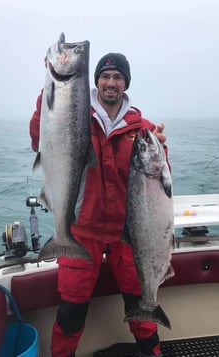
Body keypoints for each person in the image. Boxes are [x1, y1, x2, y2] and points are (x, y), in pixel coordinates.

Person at [29, 52, 169, 357]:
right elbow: (40, 137)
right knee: (70, 313)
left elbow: (158, 180)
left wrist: (160, 144)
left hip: (128, 234)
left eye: (118, 77)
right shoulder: (73, 115)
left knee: (141, 307)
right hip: (82, 231)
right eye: (105, 76)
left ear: (125, 84)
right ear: (96, 81)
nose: (110, 82)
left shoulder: (141, 128)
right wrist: (49, 91)